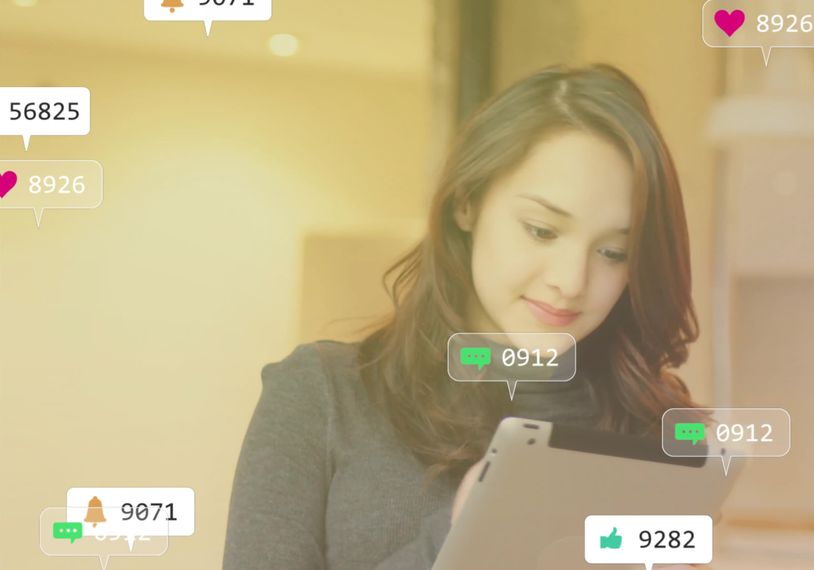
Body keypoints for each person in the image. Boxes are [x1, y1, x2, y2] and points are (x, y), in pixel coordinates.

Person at [223, 63, 702, 569]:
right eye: (541, 230)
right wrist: (459, 541)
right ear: (467, 203)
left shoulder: (653, 431)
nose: (571, 280)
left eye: (613, 252)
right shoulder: (322, 396)